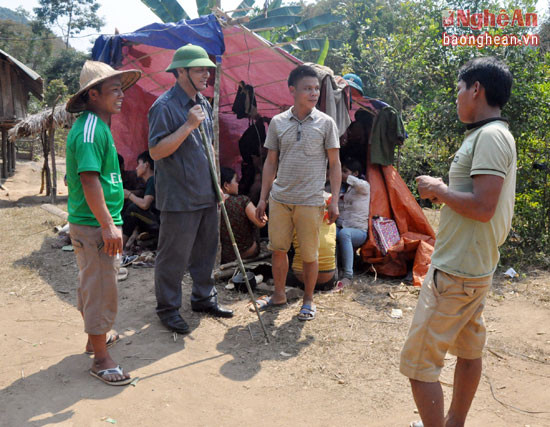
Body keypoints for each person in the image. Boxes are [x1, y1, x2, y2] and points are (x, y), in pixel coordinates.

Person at [400, 57, 516, 427]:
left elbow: (483, 206)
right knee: (468, 351)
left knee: (419, 366)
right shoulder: (489, 134)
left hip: (455, 271)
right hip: (473, 268)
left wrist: (440, 190)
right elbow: (479, 198)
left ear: (476, 89)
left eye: (459, 90)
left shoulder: (491, 136)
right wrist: (447, 192)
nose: (457, 98)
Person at [148, 44, 234, 335]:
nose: (206, 74)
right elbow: (157, 151)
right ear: (180, 72)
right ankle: (168, 309)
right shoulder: (164, 107)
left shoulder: (203, 102)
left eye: (208, 69)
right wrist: (187, 125)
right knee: (173, 255)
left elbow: (208, 147)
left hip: (206, 192)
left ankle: (202, 298)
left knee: (205, 253)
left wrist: (217, 185)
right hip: (180, 196)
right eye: (199, 69)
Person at [65, 60, 141, 385]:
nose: (121, 95)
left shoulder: (96, 126)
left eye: (121, 89)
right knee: (100, 288)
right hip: (94, 224)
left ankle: (95, 340)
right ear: (93, 94)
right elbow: (88, 180)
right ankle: (101, 359)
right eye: (113, 90)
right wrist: (109, 225)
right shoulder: (91, 130)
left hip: (91, 222)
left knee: (91, 285)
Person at [255, 64, 342, 321]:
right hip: (280, 199)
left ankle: (308, 300)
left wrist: (334, 200)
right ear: (292, 90)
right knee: (278, 250)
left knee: (310, 254)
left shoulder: (326, 123)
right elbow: (271, 162)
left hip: (311, 200)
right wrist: (262, 198)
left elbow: (335, 164)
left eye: (316, 89)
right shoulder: (278, 122)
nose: (314, 93)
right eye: (307, 88)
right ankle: (279, 295)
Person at [286, 193, 338, 292]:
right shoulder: (332, 224)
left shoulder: (297, 220)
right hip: (328, 281)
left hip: (300, 279)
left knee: (288, 248)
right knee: (333, 246)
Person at [220, 167, 267, 264]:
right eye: (235, 181)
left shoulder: (210, 205)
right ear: (226, 185)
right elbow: (261, 223)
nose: (238, 184)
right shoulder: (242, 201)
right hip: (246, 252)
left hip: (224, 256)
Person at [337, 157, 370, 286]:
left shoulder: (364, 187)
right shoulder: (342, 188)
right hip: (342, 226)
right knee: (329, 231)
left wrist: (342, 176)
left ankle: (348, 275)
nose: (341, 173)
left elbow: (360, 184)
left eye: (345, 171)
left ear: (355, 174)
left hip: (359, 231)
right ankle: (331, 269)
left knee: (344, 234)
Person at [122, 150, 160, 249]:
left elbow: (145, 204)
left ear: (146, 165)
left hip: (159, 223)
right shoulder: (153, 180)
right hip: (159, 221)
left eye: (138, 164)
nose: (136, 168)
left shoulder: (152, 180)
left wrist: (129, 194)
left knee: (133, 209)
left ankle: (119, 248)